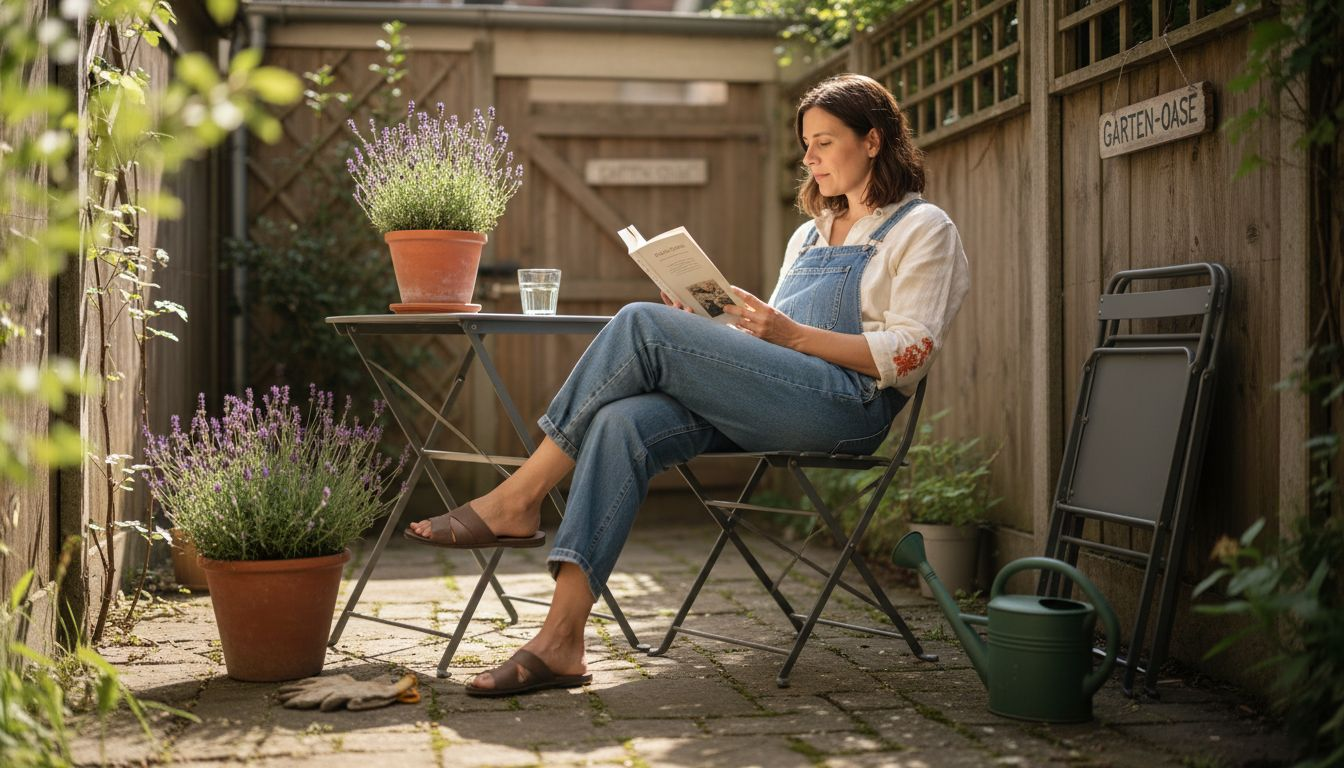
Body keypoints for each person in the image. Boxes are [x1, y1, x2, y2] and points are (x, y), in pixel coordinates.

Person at [406, 73, 970, 696]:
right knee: (623, 421)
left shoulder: (923, 229)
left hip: (848, 408)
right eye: (804, 143)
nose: (807, 158)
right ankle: (563, 639)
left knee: (639, 324)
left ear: (873, 141)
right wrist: (713, 320)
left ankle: (518, 497)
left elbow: (910, 352)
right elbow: (766, 343)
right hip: (774, 396)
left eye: (823, 142)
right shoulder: (809, 234)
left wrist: (790, 336)